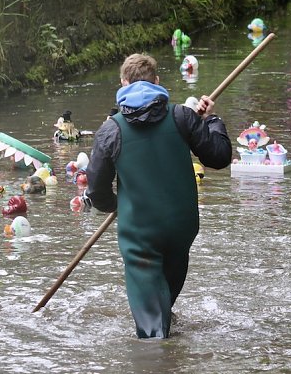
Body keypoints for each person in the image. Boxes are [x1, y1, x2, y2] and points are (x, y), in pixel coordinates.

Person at [83, 53, 232, 338]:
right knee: (164, 306)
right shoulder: (183, 117)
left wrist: (118, 205)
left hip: (140, 237)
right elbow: (220, 156)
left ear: (123, 83)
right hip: (181, 230)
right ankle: (171, 348)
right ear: (157, 81)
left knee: (152, 334)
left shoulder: (110, 131)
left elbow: (96, 191)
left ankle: (159, 359)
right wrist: (211, 120)